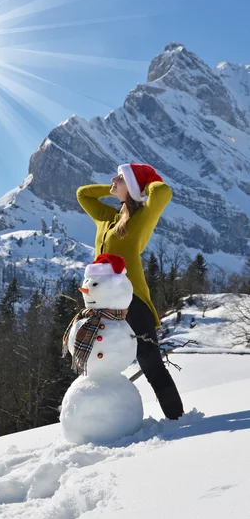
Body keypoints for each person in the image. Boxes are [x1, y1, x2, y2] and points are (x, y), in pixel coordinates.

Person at [77, 163, 184, 420]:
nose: (113, 178)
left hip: (131, 299)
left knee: (149, 361)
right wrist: (117, 189)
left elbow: (163, 191)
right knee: (95, 361)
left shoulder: (142, 217)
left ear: (134, 187)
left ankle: (177, 418)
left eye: (120, 177)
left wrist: (138, 188)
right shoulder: (106, 217)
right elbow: (83, 194)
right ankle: (102, 423)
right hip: (100, 302)